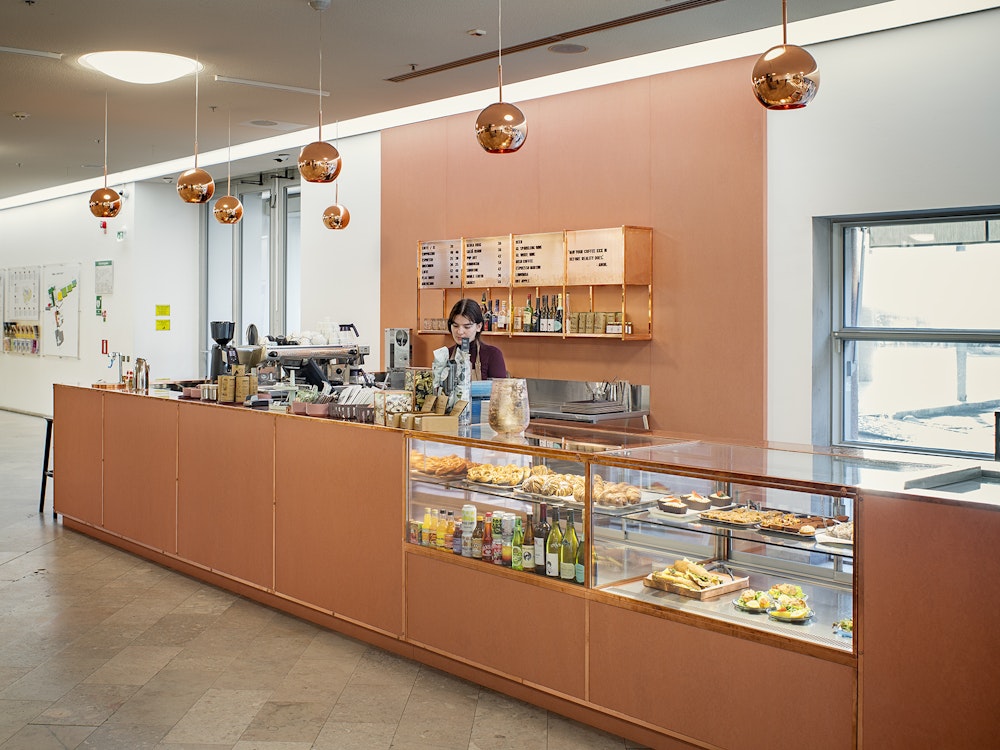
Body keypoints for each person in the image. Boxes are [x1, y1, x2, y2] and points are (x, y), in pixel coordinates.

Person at [447, 298, 508, 380]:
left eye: (467, 327)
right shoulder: (445, 355)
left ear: (479, 326)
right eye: (455, 326)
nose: (460, 332)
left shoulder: (493, 355)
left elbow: (499, 387)